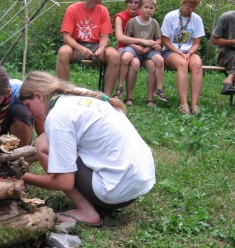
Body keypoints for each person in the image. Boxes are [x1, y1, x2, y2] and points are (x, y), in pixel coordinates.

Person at [19, 71, 156, 227]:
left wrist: (22, 177)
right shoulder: (78, 98)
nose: (29, 113)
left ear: (38, 96)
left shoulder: (58, 116)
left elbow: (64, 183)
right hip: (137, 185)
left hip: (114, 192)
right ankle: (94, 200)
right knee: (45, 142)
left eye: (28, 106)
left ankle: (87, 212)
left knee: (42, 146)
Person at [56, 0, 120, 96]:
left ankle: (106, 97)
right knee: (63, 51)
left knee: (114, 55)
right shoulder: (73, 9)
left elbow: (105, 37)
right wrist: (80, 48)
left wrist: (101, 48)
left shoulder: (103, 10)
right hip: (76, 45)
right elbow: (66, 37)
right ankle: (63, 92)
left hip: (96, 46)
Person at [115, 0, 167, 106]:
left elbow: (158, 40)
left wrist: (149, 47)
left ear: (154, 10)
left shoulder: (154, 23)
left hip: (149, 50)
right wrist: (136, 46)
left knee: (159, 60)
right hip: (134, 47)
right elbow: (127, 39)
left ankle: (158, 90)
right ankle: (120, 86)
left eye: (151, 8)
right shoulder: (133, 22)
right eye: (146, 7)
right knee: (126, 58)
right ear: (141, 8)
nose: (148, 10)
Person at [161, 0, 205, 115]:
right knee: (182, 64)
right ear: (184, 2)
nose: (191, 9)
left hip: (188, 51)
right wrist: (179, 52)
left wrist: (190, 53)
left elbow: (196, 42)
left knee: (197, 63)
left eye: (194, 7)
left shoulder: (197, 20)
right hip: (171, 51)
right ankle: (184, 103)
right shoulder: (171, 16)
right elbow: (165, 40)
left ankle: (194, 104)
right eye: (189, 6)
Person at [211, 11, 235, 95]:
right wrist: (232, 42)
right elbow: (214, 40)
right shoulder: (226, 17)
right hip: (224, 52)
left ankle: (229, 80)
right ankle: (229, 79)